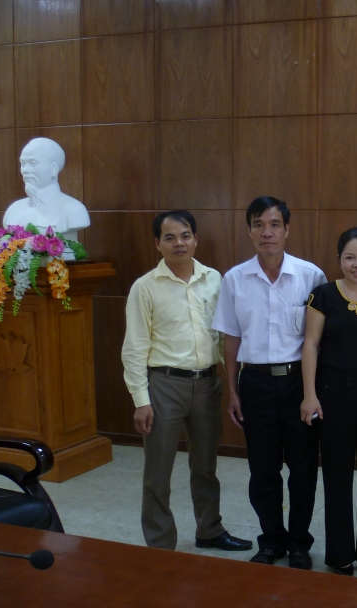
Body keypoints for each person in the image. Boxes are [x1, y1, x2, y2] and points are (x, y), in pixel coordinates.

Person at [121, 210, 251, 553]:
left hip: (207, 384)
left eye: (185, 235)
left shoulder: (214, 279)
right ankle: (161, 544)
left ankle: (209, 529)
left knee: (206, 466)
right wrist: (141, 400)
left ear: (195, 239)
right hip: (164, 386)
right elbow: (134, 348)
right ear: (158, 244)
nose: (179, 243)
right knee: (158, 472)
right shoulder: (145, 287)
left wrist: (233, 386)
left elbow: (223, 338)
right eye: (170, 237)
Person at [212, 197, 326, 567]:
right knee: (262, 470)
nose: (267, 232)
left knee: (303, 468)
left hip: (298, 385)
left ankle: (299, 543)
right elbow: (230, 338)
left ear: (287, 230)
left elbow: (320, 339)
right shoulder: (235, 279)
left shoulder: (311, 276)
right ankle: (271, 540)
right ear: (249, 231)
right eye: (259, 224)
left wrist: (314, 392)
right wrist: (232, 390)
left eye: (275, 224)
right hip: (255, 384)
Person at [300, 228, 357, 577]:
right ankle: (339, 554)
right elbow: (311, 345)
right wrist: (310, 394)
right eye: (349, 257)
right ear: (339, 260)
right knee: (337, 476)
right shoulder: (323, 295)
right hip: (333, 393)